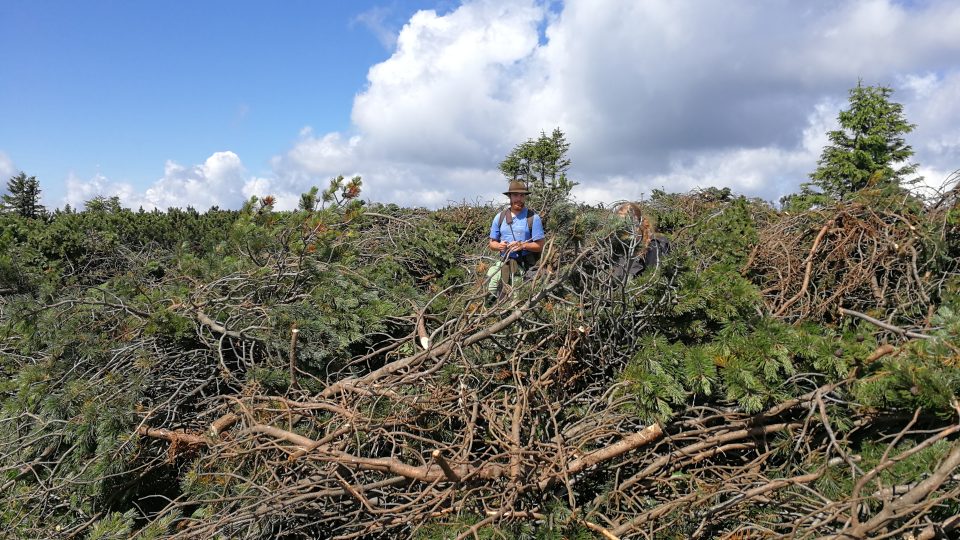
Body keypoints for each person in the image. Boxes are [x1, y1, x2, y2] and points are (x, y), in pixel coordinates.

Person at [486, 181, 545, 300]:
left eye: (522, 195)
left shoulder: (533, 218)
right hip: (505, 263)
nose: (519, 199)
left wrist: (523, 245)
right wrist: (499, 246)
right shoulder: (500, 217)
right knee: (492, 290)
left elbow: (540, 245)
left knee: (522, 298)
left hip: (528, 266)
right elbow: (492, 244)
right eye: (516, 195)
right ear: (510, 196)